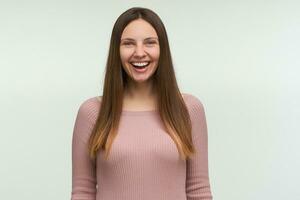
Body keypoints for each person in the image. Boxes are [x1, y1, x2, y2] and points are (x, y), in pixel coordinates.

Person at [71, 7, 213, 200]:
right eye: (128, 44)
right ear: (117, 51)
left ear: (162, 48)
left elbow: (198, 191)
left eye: (150, 43)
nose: (139, 53)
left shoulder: (188, 109)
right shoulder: (92, 112)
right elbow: (83, 192)